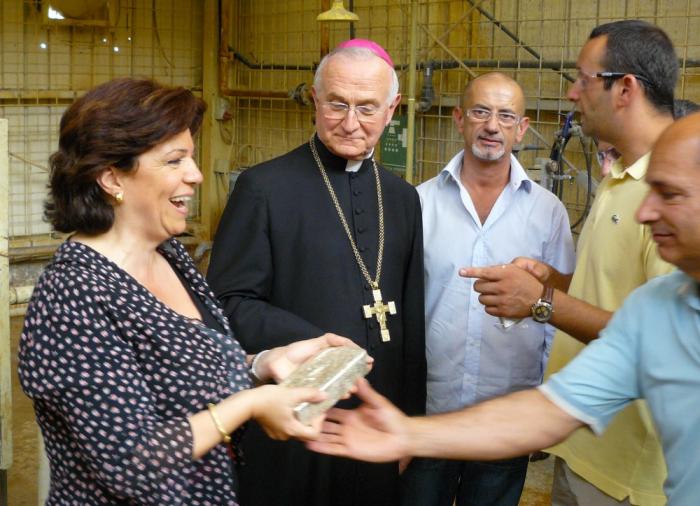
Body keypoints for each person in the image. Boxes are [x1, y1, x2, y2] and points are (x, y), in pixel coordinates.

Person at [307, 111, 700, 506]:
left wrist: (542, 300)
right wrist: (408, 434)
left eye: (670, 194)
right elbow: (546, 413)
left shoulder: (548, 211)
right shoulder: (660, 308)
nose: (644, 213)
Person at [17, 77, 361, 505]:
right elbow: (130, 463)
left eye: (191, 159)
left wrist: (264, 364)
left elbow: (184, 377)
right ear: (111, 178)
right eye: (175, 161)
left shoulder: (169, 254)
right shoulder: (74, 295)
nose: (196, 176)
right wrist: (250, 405)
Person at [458, 20, 678, 505]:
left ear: (625, 88)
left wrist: (542, 302)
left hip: (628, 474)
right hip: (583, 442)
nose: (572, 92)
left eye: (583, 78)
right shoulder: (622, 173)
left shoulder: (678, 191)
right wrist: (554, 280)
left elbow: (663, 341)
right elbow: (620, 292)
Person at [207, 39, 426, 506]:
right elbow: (228, 303)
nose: (351, 122)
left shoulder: (403, 198)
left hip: (375, 416)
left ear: (393, 109)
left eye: (367, 107)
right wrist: (320, 343)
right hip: (293, 414)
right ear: (314, 99)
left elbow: (411, 320)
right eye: (337, 104)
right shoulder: (263, 188)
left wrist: (410, 422)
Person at [401, 72, 574, 506]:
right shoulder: (418, 203)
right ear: (460, 119)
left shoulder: (547, 212)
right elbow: (402, 306)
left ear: (522, 127)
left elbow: (558, 312)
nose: (491, 125)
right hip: (430, 410)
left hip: (508, 413)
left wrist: (544, 405)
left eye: (505, 115)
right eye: (480, 112)